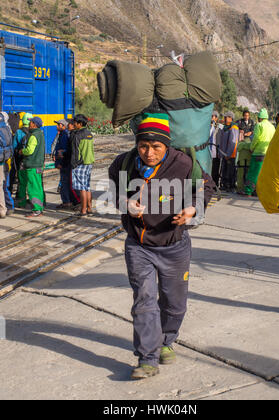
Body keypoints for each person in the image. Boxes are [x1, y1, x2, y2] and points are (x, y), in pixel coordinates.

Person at [109, 112, 200, 380]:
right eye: (143, 146)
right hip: (139, 245)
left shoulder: (184, 163)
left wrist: (192, 209)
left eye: (156, 147)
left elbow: (205, 188)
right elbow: (112, 191)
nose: (149, 153)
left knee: (174, 304)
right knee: (144, 301)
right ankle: (147, 358)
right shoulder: (123, 164)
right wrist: (126, 204)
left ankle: (166, 340)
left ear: (167, 145)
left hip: (175, 245)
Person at [243, 108, 275, 196]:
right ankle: (261, 192)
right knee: (263, 174)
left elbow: (255, 138)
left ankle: (248, 191)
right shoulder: (272, 127)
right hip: (267, 154)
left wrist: (251, 147)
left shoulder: (259, 125)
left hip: (258, 153)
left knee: (253, 173)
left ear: (260, 117)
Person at [17, 116, 46, 217]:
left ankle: (36, 210)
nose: (29, 124)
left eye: (31, 122)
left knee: (33, 188)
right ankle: (39, 209)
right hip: (38, 164)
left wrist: (22, 151)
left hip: (32, 165)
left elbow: (30, 150)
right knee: (38, 187)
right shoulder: (40, 134)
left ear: (35, 124)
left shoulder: (33, 135)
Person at [70, 114, 94, 216]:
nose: (73, 124)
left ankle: (83, 210)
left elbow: (76, 151)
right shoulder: (89, 134)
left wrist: (74, 164)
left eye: (75, 123)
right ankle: (89, 208)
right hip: (89, 162)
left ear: (80, 124)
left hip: (80, 163)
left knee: (82, 188)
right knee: (87, 187)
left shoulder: (77, 135)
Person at [53, 119, 74, 210]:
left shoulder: (64, 135)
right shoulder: (62, 134)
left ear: (63, 126)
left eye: (58, 124)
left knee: (64, 182)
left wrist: (60, 163)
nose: (57, 126)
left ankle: (66, 202)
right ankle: (67, 201)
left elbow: (63, 151)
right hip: (64, 162)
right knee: (65, 182)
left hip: (64, 163)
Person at [11, 112, 33, 196]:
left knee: (21, 177)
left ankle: (20, 194)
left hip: (20, 158)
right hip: (31, 158)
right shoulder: (34, 132)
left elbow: (14, 146)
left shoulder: (18, 132)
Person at [219, 111, 239, 192]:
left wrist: (228, 154)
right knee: (224, 170)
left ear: (231, 118)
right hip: (225, 154)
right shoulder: (225, 127)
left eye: (226, 117)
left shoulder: (233, 127)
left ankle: (230, 186)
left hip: (230, 154)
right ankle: (224, 185)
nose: (224, 118)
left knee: (229, 171)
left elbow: (232, 141)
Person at [236, 110, 254, 194]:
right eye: (245, 115)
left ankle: (245, 188)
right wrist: (241, 133)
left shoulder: (252, 122)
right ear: (243, 116)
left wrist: (250, 133)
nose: (246, 117)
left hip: (247, 154)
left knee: (246, 172)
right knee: (241, 172)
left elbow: (252, 131)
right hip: (243, 155)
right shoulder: (240, 122)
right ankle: (241, 188)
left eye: (248, 115)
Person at [0, 112, 13, 218]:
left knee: (3, 186)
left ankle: (5, 208)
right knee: (3, 186)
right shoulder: (7, 128)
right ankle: (5, 208)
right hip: (5, 160)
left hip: (2, 160)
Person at [209, 110, 223, 187]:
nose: (213, 118)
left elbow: (220, 138)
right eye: (212, 116)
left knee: (215, 168)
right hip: (208, 151)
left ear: (217, 118)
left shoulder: (219, 127)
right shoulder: (206, 126)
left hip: (216, 150)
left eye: (214, 116)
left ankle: (215, 185)